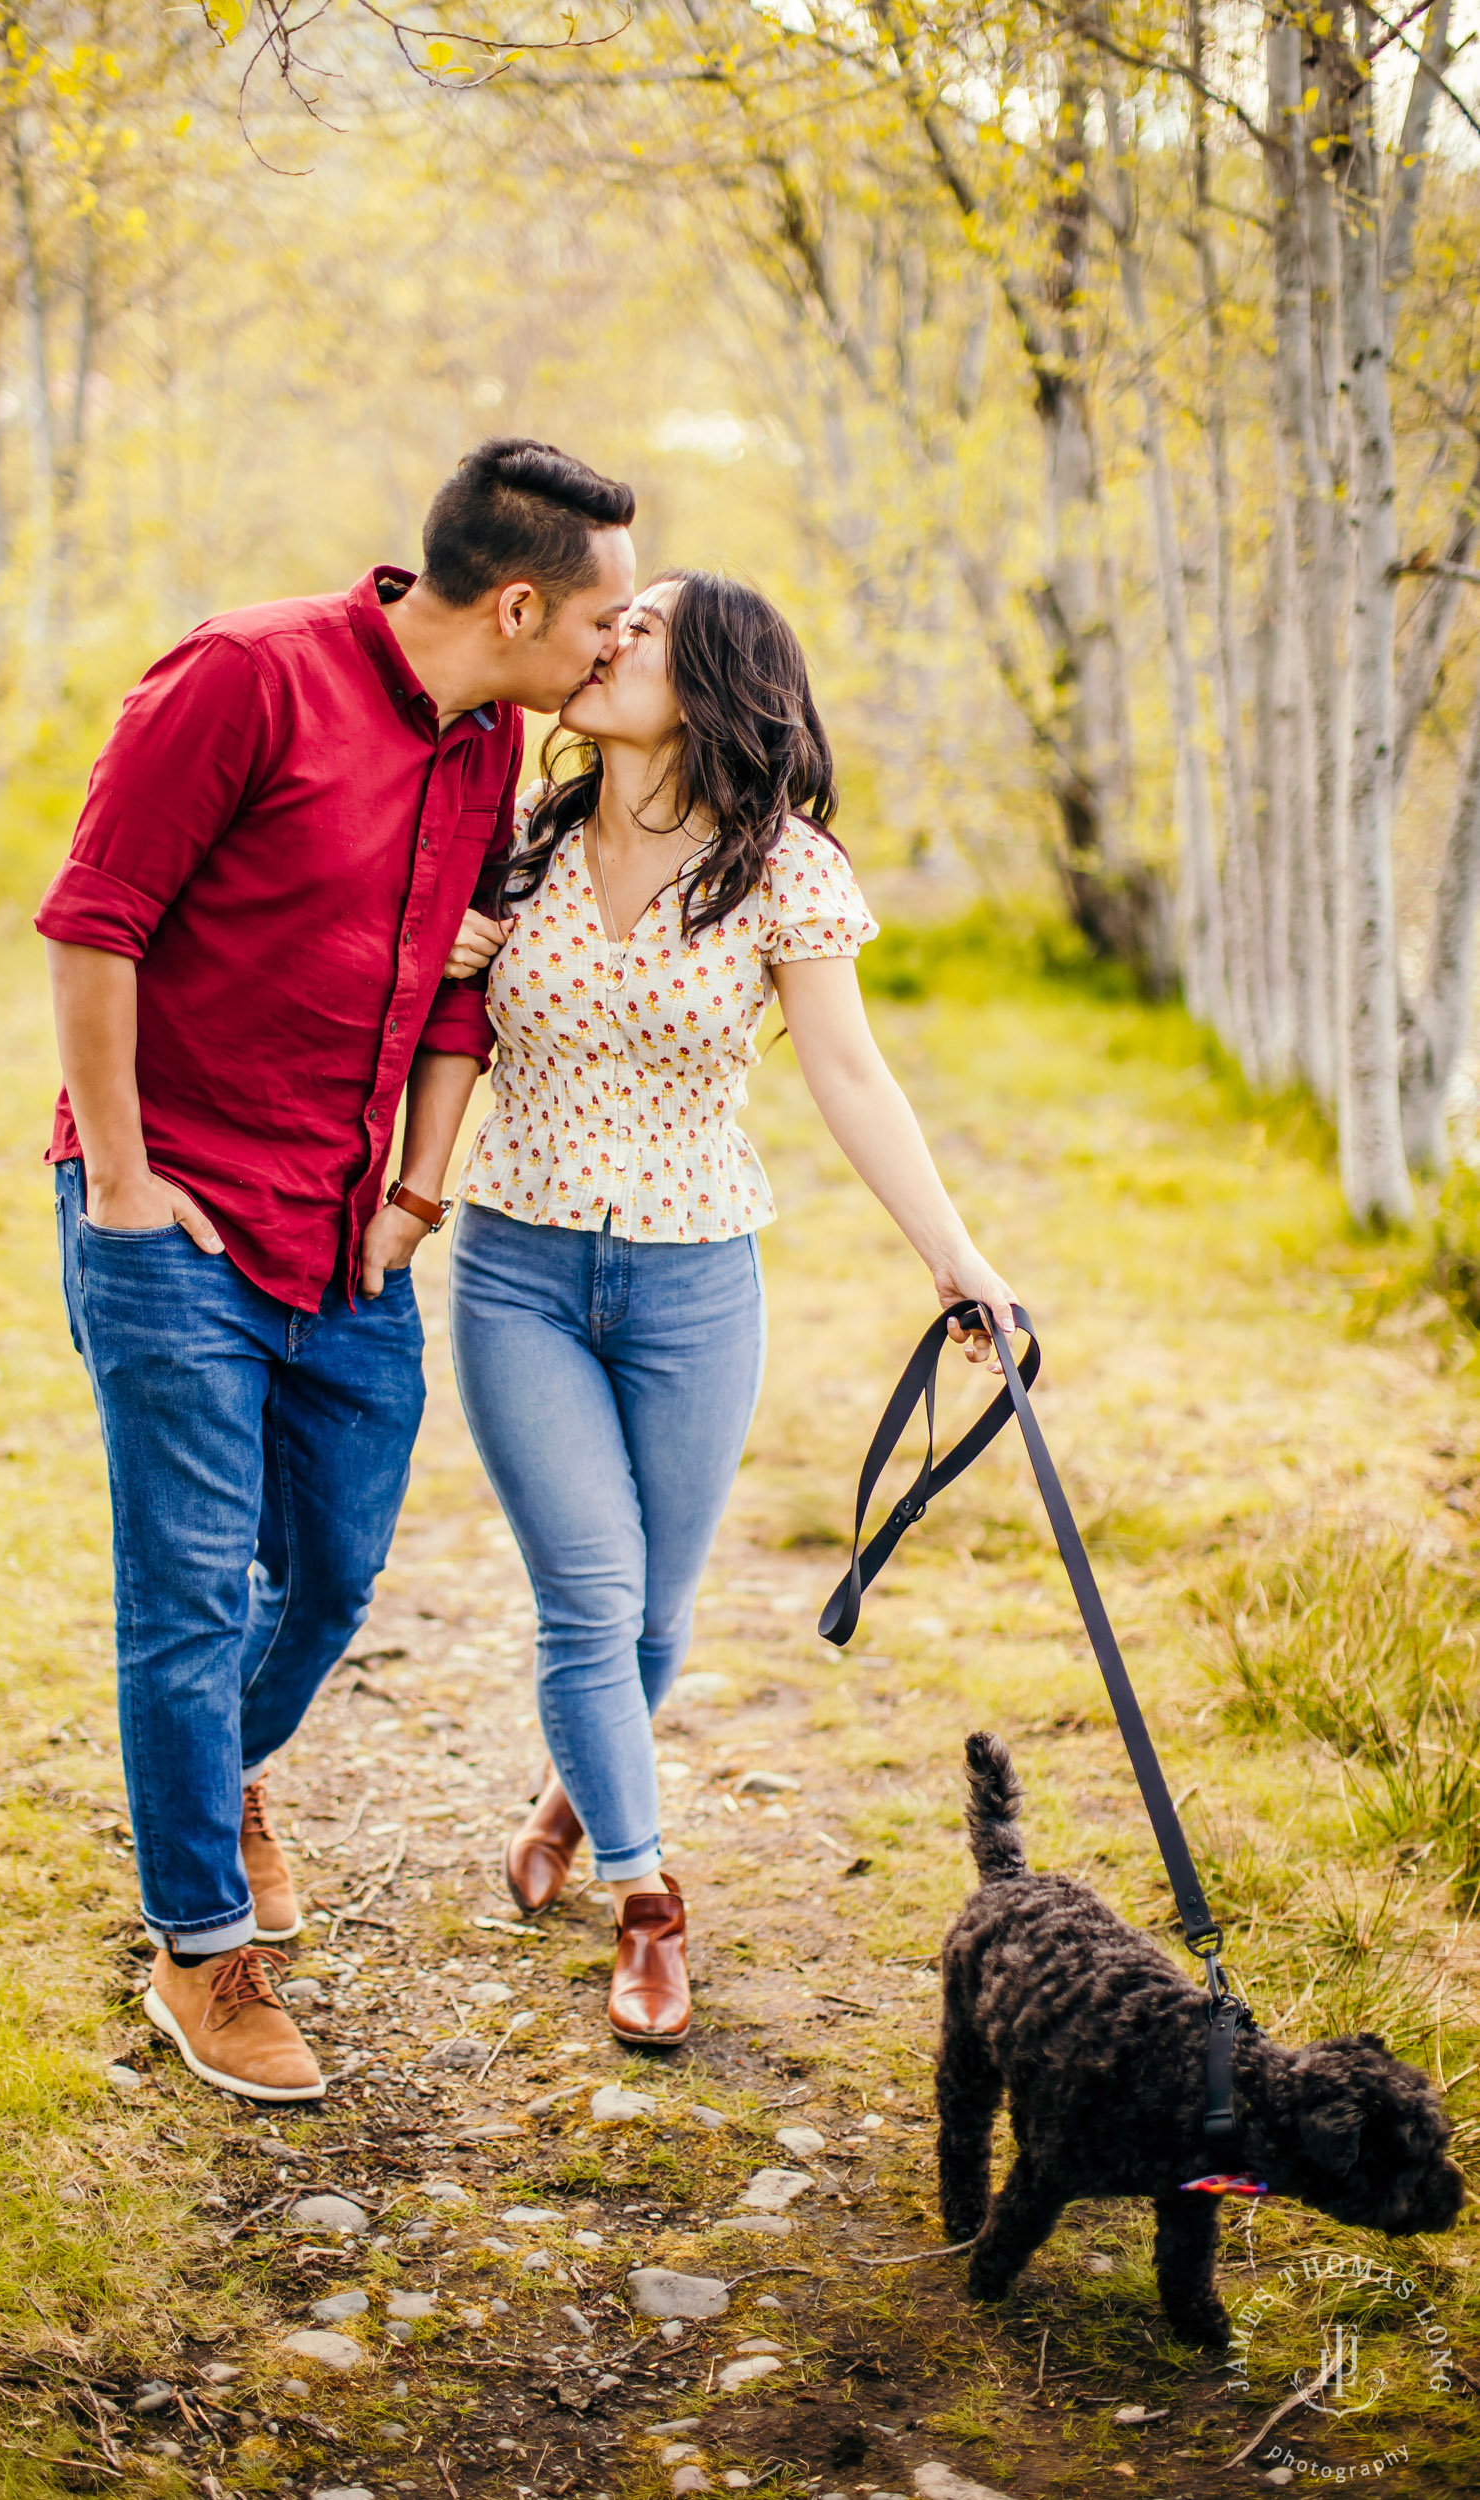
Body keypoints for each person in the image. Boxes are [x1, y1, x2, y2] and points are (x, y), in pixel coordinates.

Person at [37, 439, 636, 2102]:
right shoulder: (242, 679)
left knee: (334, 1573)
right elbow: (96, 927)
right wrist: (131, 1186)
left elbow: (451, 989)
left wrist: (414, 1196)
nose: (614, 645)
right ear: (518, 601)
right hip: (177, 1223)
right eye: (601, 617)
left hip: (342, 1236)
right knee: (187, 1590)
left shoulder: (490, 742)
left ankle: (214, 1768)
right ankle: (202, 1949)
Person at [442, 571, 1017, 2047]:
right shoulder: (524, 838)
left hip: (699, 1280)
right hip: (518, 1267)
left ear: (703, 682)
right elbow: (422, 1011)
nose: (600, 640)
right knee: (588, 1591)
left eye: (636, 630)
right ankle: (646, 1903)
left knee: (655, 1610)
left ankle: (578, 1802)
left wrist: (954, 1259)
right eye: (606, 622)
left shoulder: (788, 868)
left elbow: (848, 1074)